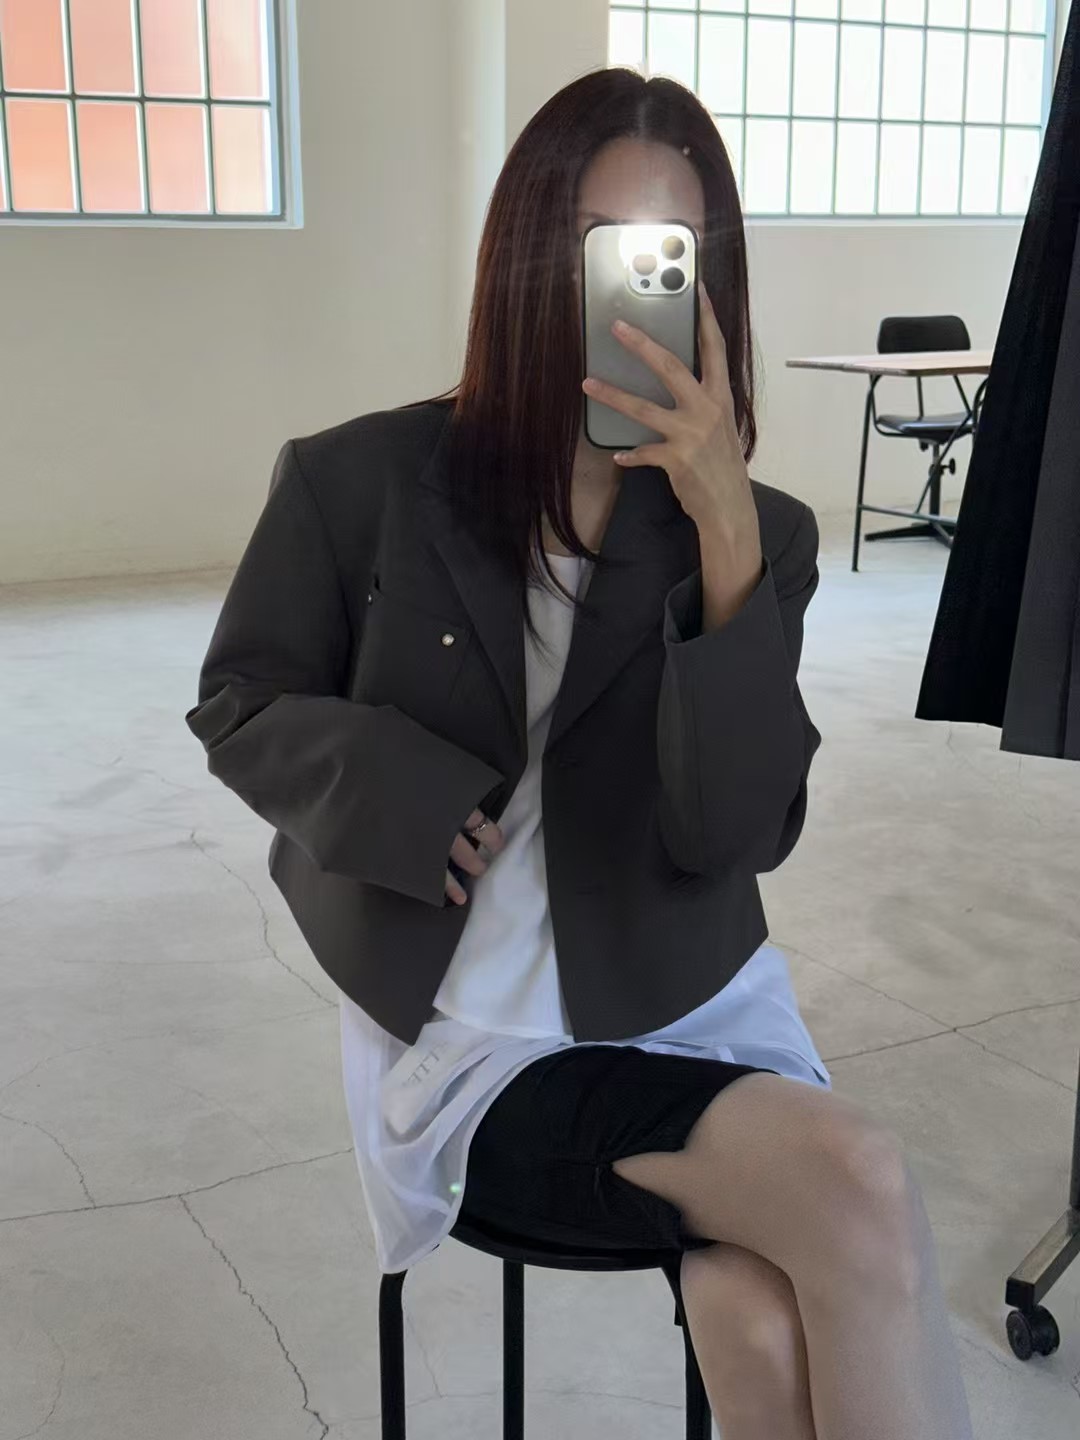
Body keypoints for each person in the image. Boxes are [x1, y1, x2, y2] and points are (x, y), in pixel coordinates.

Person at [188, 67, 974, 1440]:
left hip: (698, 1001)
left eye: (670, 254)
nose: (629, 293)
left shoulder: (765, 537)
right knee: (855, 1180)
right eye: (599, 244)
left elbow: (736, 833)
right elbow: (240, 702)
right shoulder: (360, 482)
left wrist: (724, 536)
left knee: (759, 1310)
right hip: (475, 1046)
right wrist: (401, 792)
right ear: (525, 259)